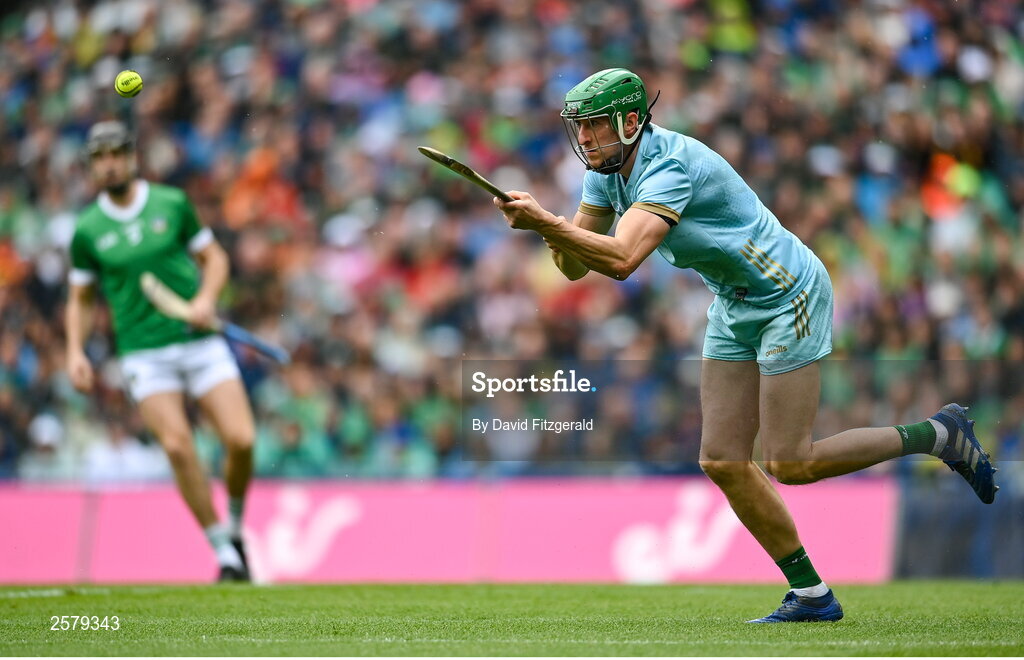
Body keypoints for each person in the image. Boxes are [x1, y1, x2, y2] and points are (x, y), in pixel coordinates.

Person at [494, 68, 998, 622]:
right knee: (722, 459)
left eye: (593, 126)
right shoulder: (603, 172)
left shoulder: (669, 166)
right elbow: (571, 268)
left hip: (788, 295)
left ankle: (938, 434)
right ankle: (811, 595)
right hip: (733, 304)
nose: (583, 138)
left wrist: (546, 220)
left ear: (630, 121)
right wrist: (546, 227)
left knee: (790, 461)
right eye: (578, 127)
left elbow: (619, 260)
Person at [65, 120, 255, 582]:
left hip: (199, 341)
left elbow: (216, 259)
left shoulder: (172, 204)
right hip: (143, 353)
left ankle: (233, 527)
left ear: (131, 157)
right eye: (100, 158)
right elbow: (81, 298)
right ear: (93, 168)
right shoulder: (87, 230)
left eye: (116, 154)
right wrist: (75, 350)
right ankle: (223, 553)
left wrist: (206, 301)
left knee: (242, 440)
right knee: (177, 445)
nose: (109, 165)